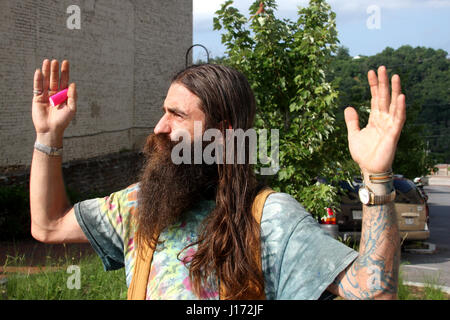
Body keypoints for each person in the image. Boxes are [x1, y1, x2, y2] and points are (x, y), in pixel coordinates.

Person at [30, 59, 405, 300]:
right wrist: (48, 137)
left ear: (221, 133)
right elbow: (48, 225)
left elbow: (374, 292)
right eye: (164, 112)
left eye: (177, 115)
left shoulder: (270, 219)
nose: (160, 127)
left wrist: (377, 177)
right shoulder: (140, 205)